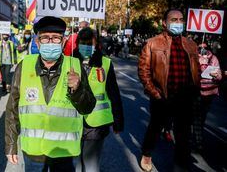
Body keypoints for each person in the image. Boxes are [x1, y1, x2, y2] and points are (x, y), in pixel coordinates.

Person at [5, 16, 96, 172]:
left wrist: (78, 89)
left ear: (63, 42)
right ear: (37, 42)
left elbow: (88, 107)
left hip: (64, 154)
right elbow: (12, 109)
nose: (50, 42)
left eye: (55, 38)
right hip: (33, 153)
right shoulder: (24, 65)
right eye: (45, 38)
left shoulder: (75, 66)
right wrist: (11, 144)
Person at [138, 9, 200, 171]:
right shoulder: (152, 43)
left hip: (185, 97)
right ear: (164, 23)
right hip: (162, 97)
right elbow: (143, 72)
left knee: (183, 134)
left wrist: (196, 90)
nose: (178, 23)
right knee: (155, 128)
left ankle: (179, 165)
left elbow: (196, 70)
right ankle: (146, 153)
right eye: (174, 19)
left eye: (181, 20)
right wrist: (155, 93)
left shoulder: (191, 45)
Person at [73, 27, 124, 172]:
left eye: (90, 43)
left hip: (96, 124)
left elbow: (114, 93)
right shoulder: (70, 62)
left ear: (96, 44)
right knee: (75, 161)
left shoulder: (105, 63)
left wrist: (118, 121)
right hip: (73, 120)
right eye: (83, 43)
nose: (87, 47)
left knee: (90, 164)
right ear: (77, 43)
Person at [192, 43, 222, 151]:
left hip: (209, 93)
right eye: (200, 48)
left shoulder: (214, 59)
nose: (202, 50)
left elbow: (219, 76)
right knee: (197, 117)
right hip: (197, 92)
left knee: (202, 117)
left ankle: (197, 138)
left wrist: (216, 75)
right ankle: (198, 141)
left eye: (204, 48)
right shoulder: (194, 57)